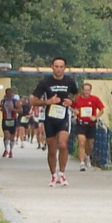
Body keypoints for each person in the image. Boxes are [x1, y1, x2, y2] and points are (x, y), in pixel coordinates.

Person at [32, 58, 79, 186]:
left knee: (63, 145)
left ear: (65, 68)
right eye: (56, 66)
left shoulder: (70, 81)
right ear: (52, 67)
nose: (59, 69)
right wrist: (47, 102)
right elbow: (33, 100)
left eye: (61, 66)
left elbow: (76, 95)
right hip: (50, 117)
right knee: (52, 149)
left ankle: (62, 173)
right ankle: (53, 175)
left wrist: (72, 102)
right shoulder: (45, 82)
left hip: (64, 115)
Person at [70, 86, 106, 171]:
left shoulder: (95, 99)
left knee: (90, 144)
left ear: (90, 91)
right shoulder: (78, 99)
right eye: (85, 90)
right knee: (82, 142)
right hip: (81, 123)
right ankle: (82, 163)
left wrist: (95, 117)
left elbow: (102, 109)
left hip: (91, 124)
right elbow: (71, 106)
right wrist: (74, 111)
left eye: (88, 90)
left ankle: (87, 155)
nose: (86, 92)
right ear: (82, 90)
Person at [0, 87, 23, 158]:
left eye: (10, 93)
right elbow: (0, 107)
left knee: (12, 137)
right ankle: (6, 149)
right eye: (7, 93)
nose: (9, 95)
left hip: (13, 120)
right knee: (6, 135)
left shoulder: (16, 101)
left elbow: (21, 110)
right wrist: (1, 109)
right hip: (5, 119)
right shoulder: (3, 101)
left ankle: (11, 151)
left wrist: (13, 110)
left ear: (12, 94)